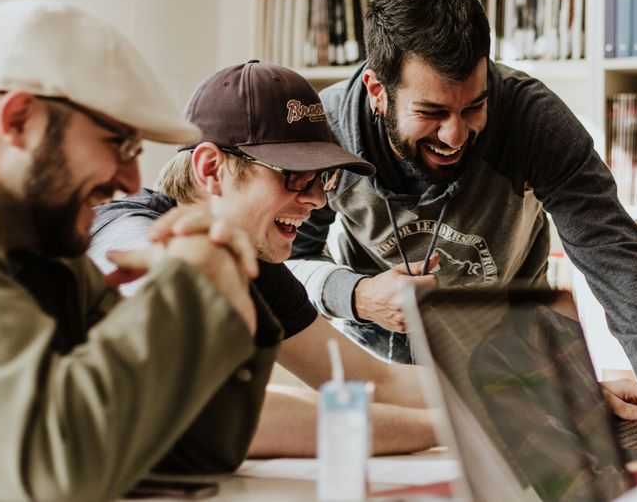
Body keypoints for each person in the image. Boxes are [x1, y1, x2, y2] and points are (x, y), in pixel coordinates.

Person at [0, 0, 280, 500]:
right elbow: (51, 472)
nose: (130, 181)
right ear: (19, 120)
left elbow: (188, 451)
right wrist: (192, 288)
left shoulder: (30, 231)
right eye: (119, 143)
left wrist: (225, 284)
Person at [288, 0, 637, 413]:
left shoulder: (532, 118)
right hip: (382, 372)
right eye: (432, 112)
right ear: (377, 90)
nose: (455, 135)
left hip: (515, 362)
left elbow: (612, 252)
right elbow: (288, 263)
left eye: (474, 106)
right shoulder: (327, 130)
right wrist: (356, 295)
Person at [89, 60, 439, 457]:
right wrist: (448, 428)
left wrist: (497, 398)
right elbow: (216, 411)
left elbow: (370, 381)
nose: (318, 200)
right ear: (211, 169)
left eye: (322, 178)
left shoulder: (254, 263)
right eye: (294, 175)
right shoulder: (128, 236)